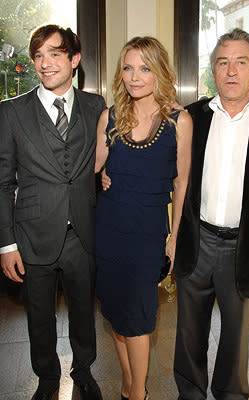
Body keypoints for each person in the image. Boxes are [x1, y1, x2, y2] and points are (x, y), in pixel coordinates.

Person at [173, 28, 249, 400]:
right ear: (213, 70)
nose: (231, 71)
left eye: (241, 62)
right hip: (197, 242)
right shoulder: (192, 117)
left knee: (236, 339)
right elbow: (166, 172)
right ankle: (190, 394)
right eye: (222, 62)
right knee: (188, 334)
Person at [0, 25, 106, 400]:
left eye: (55, 54)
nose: (44, 64)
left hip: (83, 230)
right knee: (39, 315)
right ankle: (46, 378)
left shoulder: (96, 108)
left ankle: (83, 370)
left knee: (83, 311)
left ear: (74, 60)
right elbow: (1, 182)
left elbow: (120, 145)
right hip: (31, 233)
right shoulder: (11, 112)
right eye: (38, 56)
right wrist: (6, 244)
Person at [94, 37, 192, 400]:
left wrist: (175, 237)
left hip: (148, 235)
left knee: (137, 320)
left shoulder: (179, 120)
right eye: (128, 68)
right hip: (109, 231)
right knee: (118, 319)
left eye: (145, 68)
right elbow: (93, 167)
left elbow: (181, 184)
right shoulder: (110, 116)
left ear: (160, 71)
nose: (135, 77)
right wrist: (99, 176)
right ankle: (128, 384)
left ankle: (140, 394)